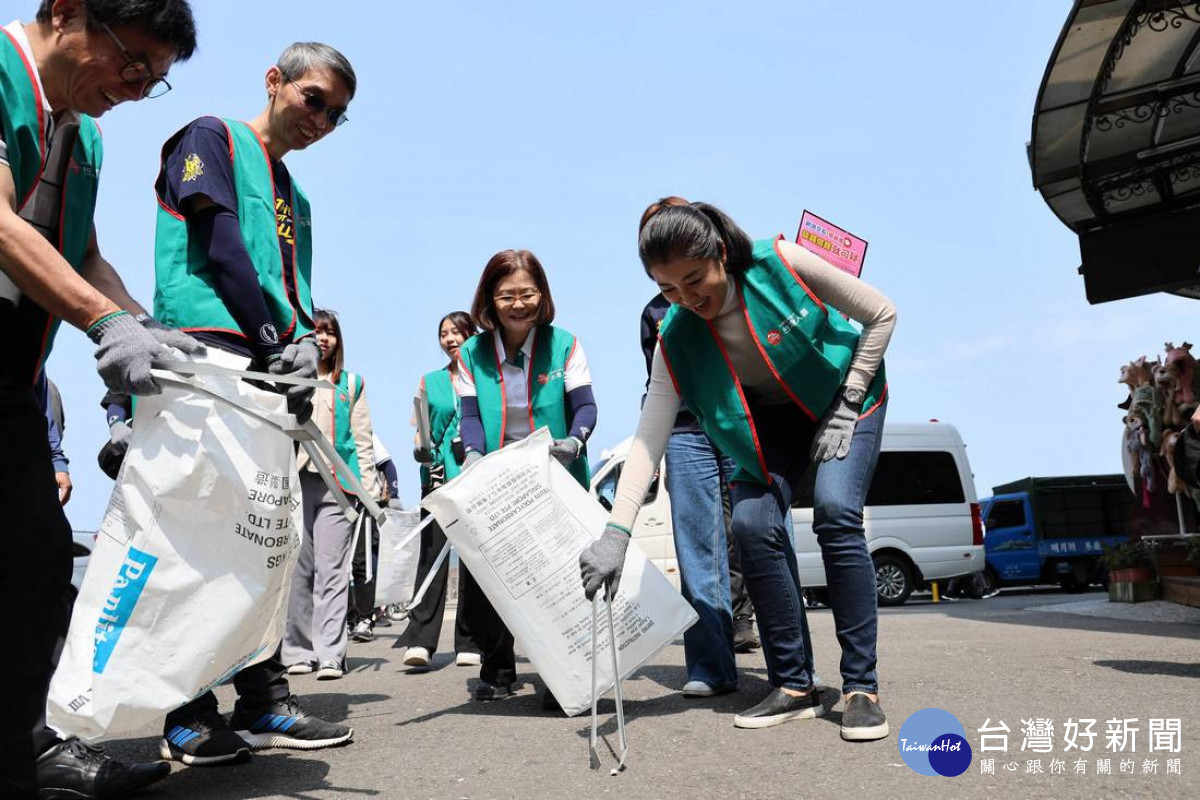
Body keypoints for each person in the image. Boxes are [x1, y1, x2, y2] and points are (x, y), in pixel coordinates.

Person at [580, 199, 896, 740]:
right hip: (770, 425)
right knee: (752, 526)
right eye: (669, 289)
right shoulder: (675, 336)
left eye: (694, 278)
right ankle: (795, 685)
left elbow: (882, 312)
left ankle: (860, 688)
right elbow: (649, 437)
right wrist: (616, 533)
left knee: (836, 513)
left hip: (844, 401)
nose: (687, 298)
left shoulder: (782, 262)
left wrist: (848, 399)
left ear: (721, 253)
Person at [0, 2, 201, 796]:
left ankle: (23, 749)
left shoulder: (82, 138)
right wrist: (104, 321)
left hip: (13, 378)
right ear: (65, 11)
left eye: (154, 78)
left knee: (39, 561)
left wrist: (143, 327)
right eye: (133, 60)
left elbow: (80, 251)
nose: (137, 84)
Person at [152, 42, 357, 766]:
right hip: (205, 356)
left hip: (268, 372)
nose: (322, 120)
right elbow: (219, 241)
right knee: (197, 540)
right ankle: (186, 710)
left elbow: (292, 287)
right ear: (273, 82)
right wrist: (273, 338)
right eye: (313, 100)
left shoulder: (294, 194)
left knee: (264, 541)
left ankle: (264, 700)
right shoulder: (209, 137)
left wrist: (299, 350)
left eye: (336, 114)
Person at [457, 251, 598, 702]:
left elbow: (586, 406)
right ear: (489, 300)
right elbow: (470, 416)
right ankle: (497, 668)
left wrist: (576, 439)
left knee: (558, 576)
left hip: (557, 470)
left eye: (527, 294)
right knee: (494, 577)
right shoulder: (471, 353)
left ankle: (566, 674)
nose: (518, 305)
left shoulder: (566, 344)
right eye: (506, 296)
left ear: (543, 294)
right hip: (499, 476)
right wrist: (475, 453)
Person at [640, 292, 758, 699]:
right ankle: (711, 668)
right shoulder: (655, 313)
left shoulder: (739, 292)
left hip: (745, 419)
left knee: (763, 536)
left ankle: (790, 669)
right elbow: (656, 384)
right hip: (685, 431)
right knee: (697, 553)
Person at [284, 308, 384, 677]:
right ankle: (296, 651)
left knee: (334, 570)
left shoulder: (352, 383)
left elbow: (363, 441)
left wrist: (369, 492)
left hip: (338, 486)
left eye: (329, 333)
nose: (323, 339)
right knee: (299, 572)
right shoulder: (289, 377)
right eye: (316, 332)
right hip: (295, 482)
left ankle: (330, 652)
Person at [395, 311, 483, 668]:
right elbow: (420, 428)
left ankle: (470, 641)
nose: (450, 339)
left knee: (474, 562)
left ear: (471, 334)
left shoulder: (485, 377)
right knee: (430, 556)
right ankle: (420, 641)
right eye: (444, 334)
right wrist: (420, 449)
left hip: (474, 477)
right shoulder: (428, 381)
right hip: (437, 476)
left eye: (457, 332)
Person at [347, 433, 403, 641]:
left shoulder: (365, 433)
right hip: (335, 499)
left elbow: (388, 465)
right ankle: (346, 619)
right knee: (335, 565)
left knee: (362, 563)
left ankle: (365, 619)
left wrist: (394, 496)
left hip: (364, 504)